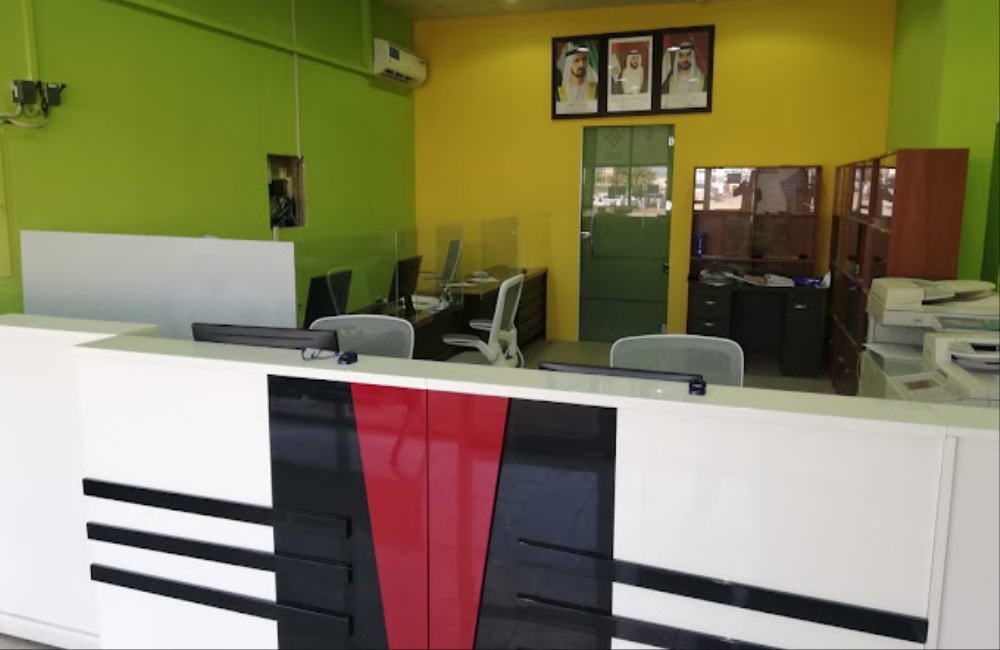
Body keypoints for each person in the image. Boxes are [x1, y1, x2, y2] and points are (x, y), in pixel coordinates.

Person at [556, 42, 597, 110]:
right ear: (569, 64)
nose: (581, 64)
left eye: (584, 59)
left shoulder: (595, 89)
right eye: (577, 60)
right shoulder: (562, 92)